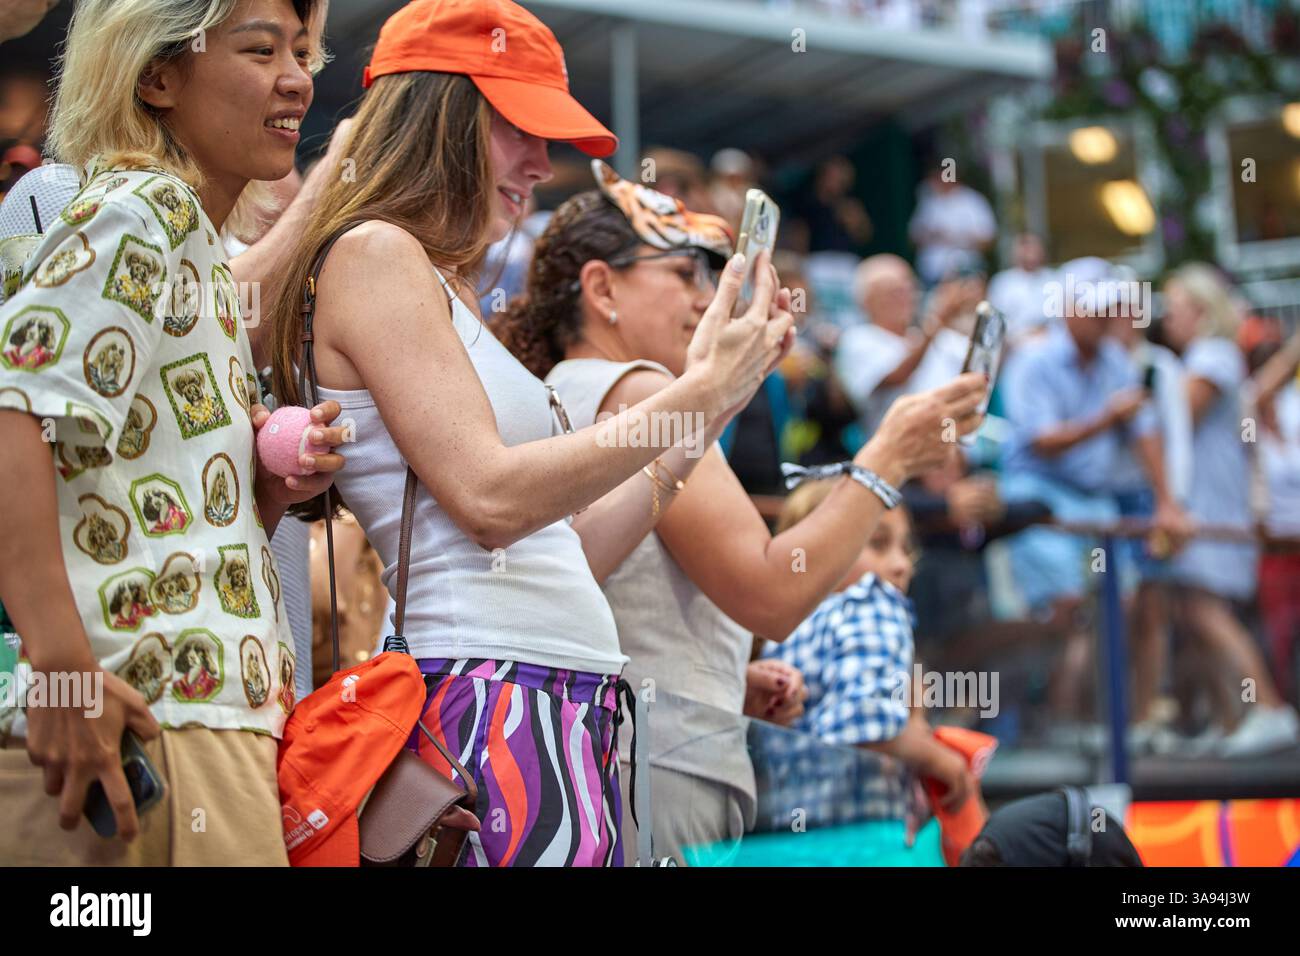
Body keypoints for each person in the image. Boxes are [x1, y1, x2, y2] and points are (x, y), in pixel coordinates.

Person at [265, 0, 792, 867]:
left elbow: (570, 551)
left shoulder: (437, 280)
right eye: (520, 128)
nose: (543, 165)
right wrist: (696, 388)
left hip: (552, 698)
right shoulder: (375, 254)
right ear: (443, 115)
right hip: (491, 698)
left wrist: (711, 406)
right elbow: (490, 499)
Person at [494, 162, 987, 863]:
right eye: (685, 273)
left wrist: (722, 678)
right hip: (657, 769)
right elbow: (771, 593)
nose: (708, 297)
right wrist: (887, 460)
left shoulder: (562, 389)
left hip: (618, 758)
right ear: (602, 288)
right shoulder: (638, 390)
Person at [0, 0, 348, 866]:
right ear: (155, 77)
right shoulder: (141, 209)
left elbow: (151, 519)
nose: (298, 78)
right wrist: (66, 673)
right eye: (260, 48)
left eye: (302, 51)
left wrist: (260, 495)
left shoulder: (181, 233)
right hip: (143, 730)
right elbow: (11, 412)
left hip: (191, 728)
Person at [998, 257, 1188, 724]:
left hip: (1093, 504)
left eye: (1109, 309)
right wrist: (1107, 418)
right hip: (1038, 498)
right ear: (1067, 308)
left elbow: (1144, 434)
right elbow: (1039, 441)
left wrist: (1167, 503)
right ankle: (1045, 719)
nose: (1105, 318)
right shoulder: (1033, 361)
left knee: (1115, 608)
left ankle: (1088, 728)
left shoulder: (1117, 362)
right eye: (1095, 309)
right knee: (1066, 613)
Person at [762, 480, 981, 820]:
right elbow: (864, 723)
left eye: (907, 549)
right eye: (878, 544)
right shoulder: (872, 601)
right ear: (813, 547)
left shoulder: (778, 631)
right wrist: (941, 761)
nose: (902, 565)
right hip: (860, 841)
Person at [1160, 264, 1299, 754]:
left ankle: (1269, 709)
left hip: (1211, 509)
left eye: (1172, 308)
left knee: (1204, 609)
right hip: (1206, 507)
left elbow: (1168, 418)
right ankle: (1230, 721)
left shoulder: (1211, 356)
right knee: (1192, 611)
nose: (1163, 318)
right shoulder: (1206, 356)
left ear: (1199, 312)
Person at [834, 253, 982, 436]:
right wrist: (937, 321)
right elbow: (897, 377)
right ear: (866, 302)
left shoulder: (936, 337)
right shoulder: (858, 339)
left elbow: (982, 368)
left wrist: (979, 313)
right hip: (897, 454)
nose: (905, 297)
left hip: (949, 448)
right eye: (894, 292)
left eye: (909, 289)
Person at [907, 161, 996, 287]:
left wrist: (957, 237)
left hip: (966, 271)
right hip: (931, 273)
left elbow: (988, 240)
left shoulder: (973, 201)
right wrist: (931, 235)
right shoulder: (928, 202)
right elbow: (912, 238)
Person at [986, 232, 1055, 348]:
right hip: (1014, 346)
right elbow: (995, 321)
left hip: (1049, 343)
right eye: (1025, 246)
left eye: (1034, 245)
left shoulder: (1054, 279)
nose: (1030, 251)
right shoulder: (1002, 282)